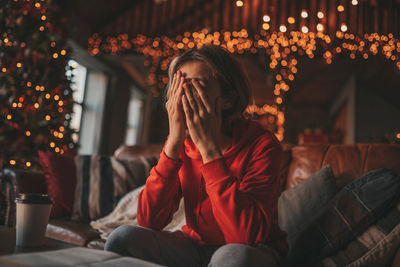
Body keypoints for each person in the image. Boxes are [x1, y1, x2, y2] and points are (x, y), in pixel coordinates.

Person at [105, 46, 288, 267]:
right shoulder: (182, 142)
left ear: (228, 99)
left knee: (235, 258)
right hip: (195, 246)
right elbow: (149, 221)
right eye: (179, 86)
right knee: (122, 237)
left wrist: (209, 151)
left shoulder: (263, 145)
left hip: (254, 250)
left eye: (196, 87)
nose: (184, 96)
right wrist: (173, 144)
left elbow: (244, 236)